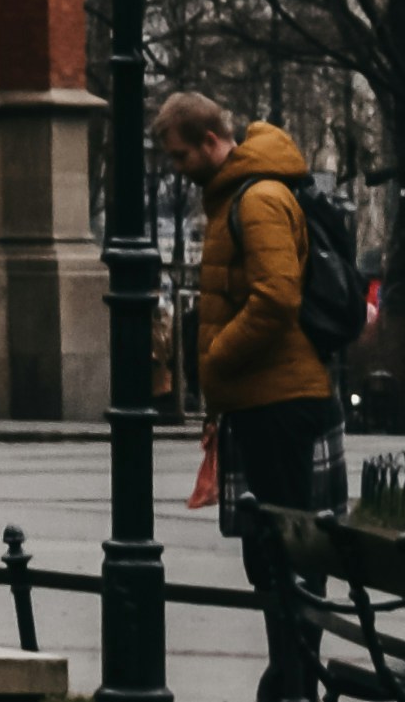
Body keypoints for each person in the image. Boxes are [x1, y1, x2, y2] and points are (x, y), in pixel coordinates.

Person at [158, 92, 343, 702]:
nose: (176, 168)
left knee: (285, 558)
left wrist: (216, 358)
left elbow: (275, 299)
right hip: (266, 402)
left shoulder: (258, 199)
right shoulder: (235, 198)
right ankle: (289, 680)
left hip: (280, 405)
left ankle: (292, 684)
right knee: (274, 557)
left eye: (182, 154)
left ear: (212, 140)